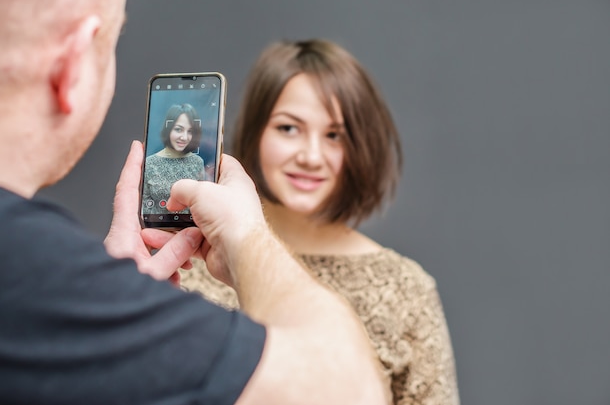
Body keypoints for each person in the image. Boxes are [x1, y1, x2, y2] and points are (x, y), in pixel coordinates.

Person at [0, 0, 391, 404]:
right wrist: (248, 238)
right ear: (73, 63)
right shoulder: (35, 271)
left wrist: (117, 306)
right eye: (113, 44)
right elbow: (347, 390)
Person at [180, 39, 460, 404]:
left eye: (334, 136)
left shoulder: (406, 289)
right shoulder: (188, 264)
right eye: (289, 129)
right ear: (256, 132)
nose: (311, 156)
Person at [143, 103, 205, 215]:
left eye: (190, 131)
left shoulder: (197, 162)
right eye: (178, 129)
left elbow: (202, 203)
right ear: (168, 129)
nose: (184, 137)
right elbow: (144, 204)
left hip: (191, 229)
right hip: (155, 228)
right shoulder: (150, 163)